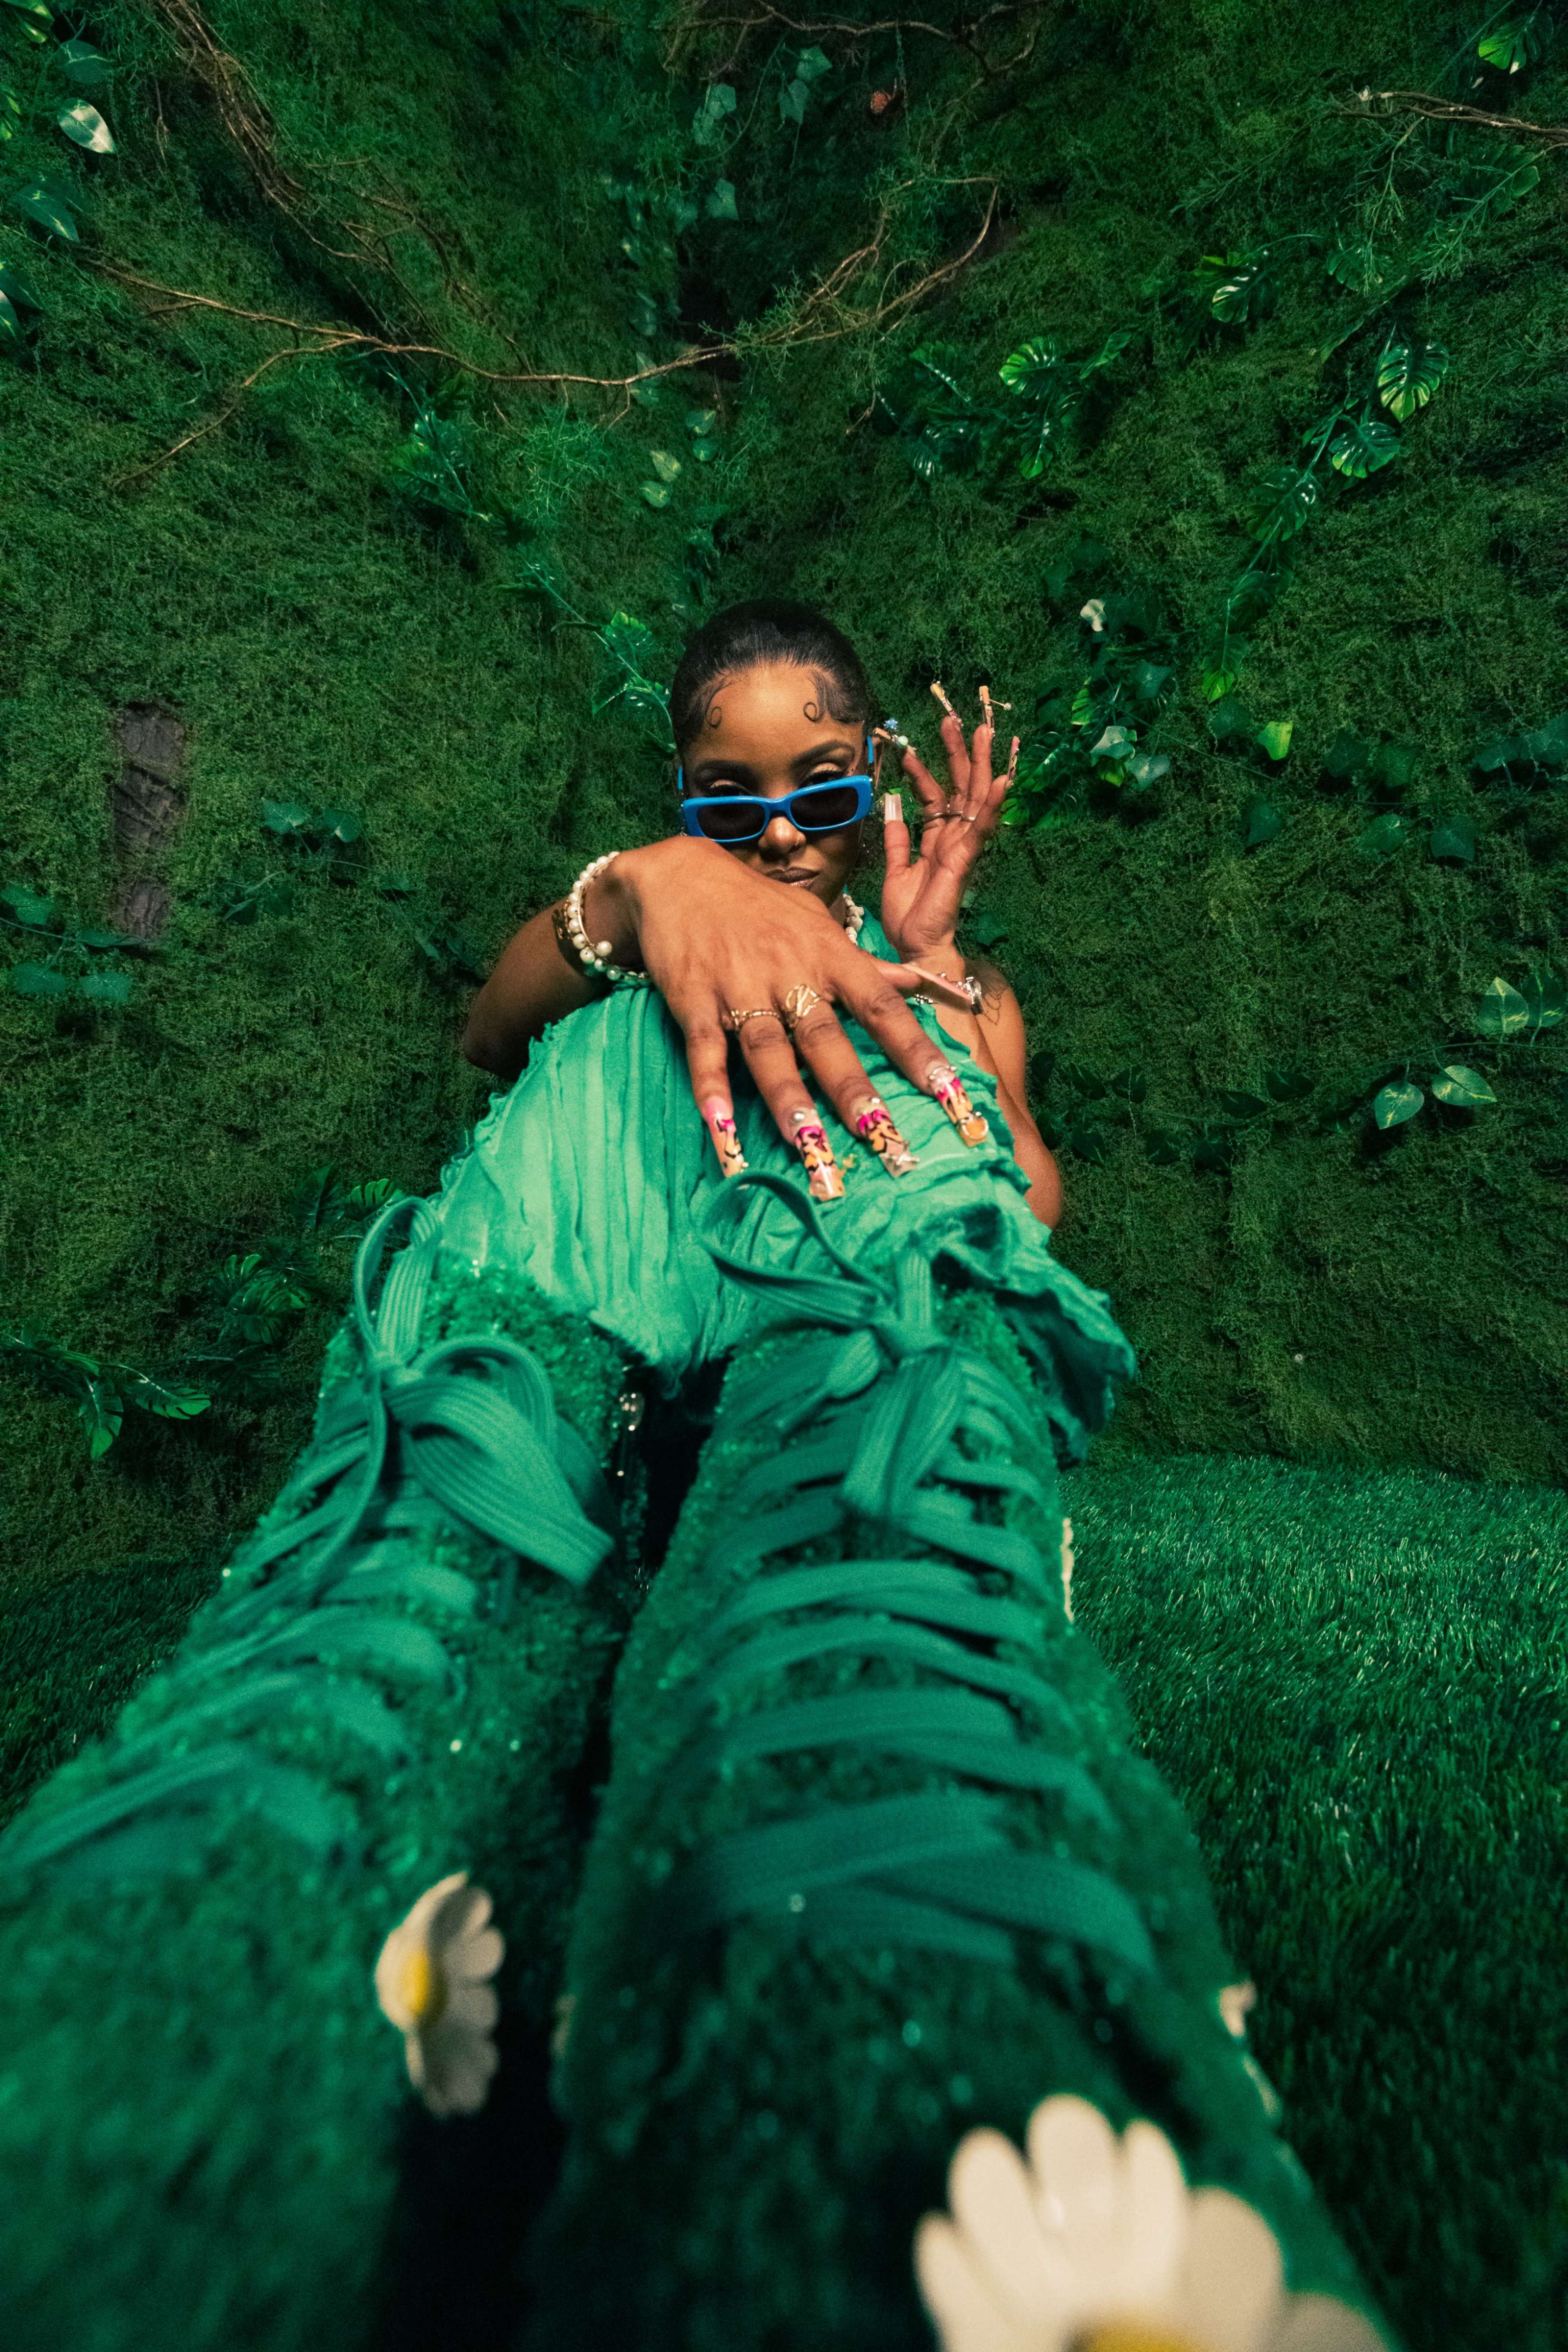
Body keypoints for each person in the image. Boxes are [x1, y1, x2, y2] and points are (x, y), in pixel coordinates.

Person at [461, 600, 1063, 1232]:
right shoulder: (655, 942)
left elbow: (1028, 1220)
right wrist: (635, 884)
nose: (779, 835)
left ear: (873, 769)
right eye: (729, 806)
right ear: (683, 791)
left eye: (824, 790)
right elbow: (489, 1042)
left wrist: (931, 957)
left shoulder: (975, 994)